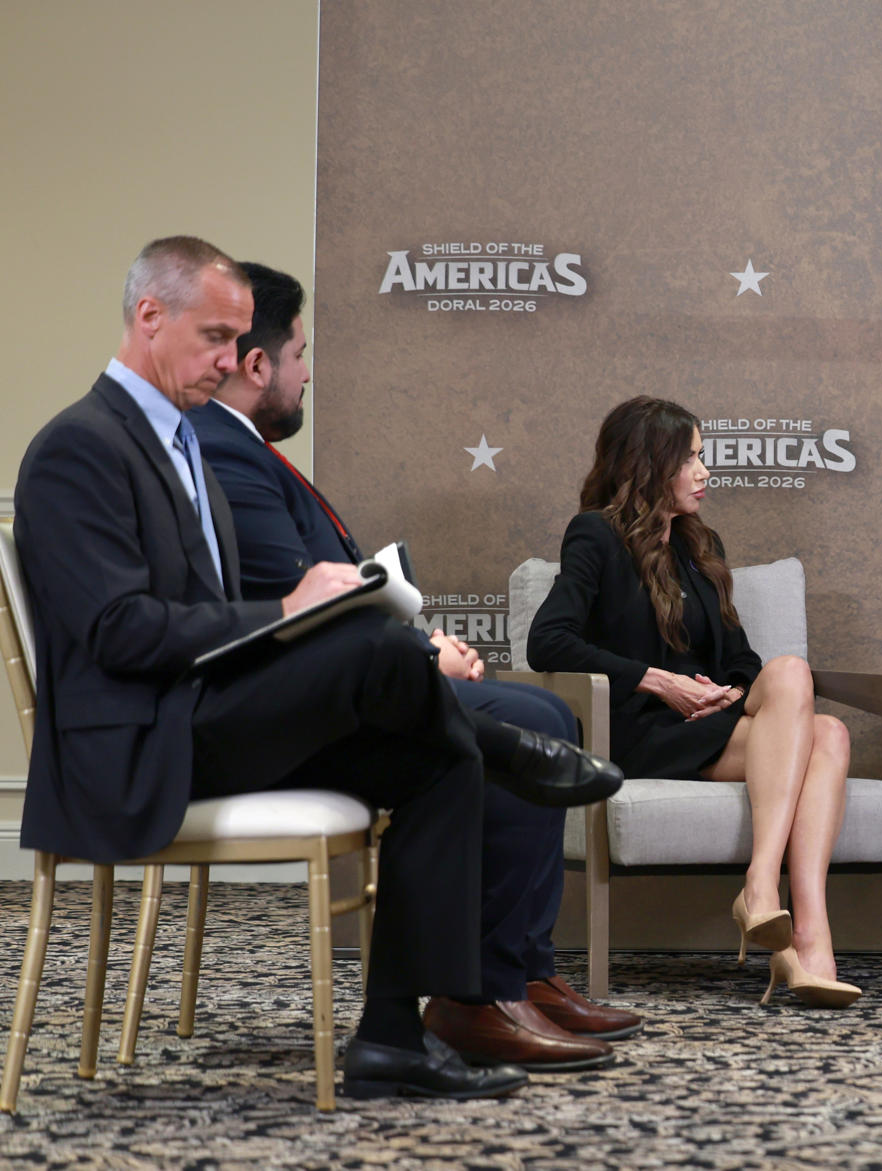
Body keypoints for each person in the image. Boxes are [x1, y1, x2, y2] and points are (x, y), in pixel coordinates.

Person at [11, 237, 621, 1101]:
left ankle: (391, 1038)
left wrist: (306, 614)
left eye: (239, 341)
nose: (230, 361)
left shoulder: (182, 441)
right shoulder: (78, 446)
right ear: (150, 315)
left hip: (201, 717)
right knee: (376, 643)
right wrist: (293, 611)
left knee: (446, 760)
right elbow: (117, 632)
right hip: (138, 747)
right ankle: (506, 740)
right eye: (216, 337)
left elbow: (206, 623)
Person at [189, 262, 641, 1071]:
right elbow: (290, 596)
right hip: (290, 709)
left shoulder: (243, 450)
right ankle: (481, 994)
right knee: (530, 720)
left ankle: (519, 976)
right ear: (259, 366)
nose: (308, 372)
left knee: (540, 719)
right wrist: (423, 647)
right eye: (301, 353)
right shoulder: (226, 453)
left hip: (339, 679)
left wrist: (417, 640)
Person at [528, 397, 861, 1008]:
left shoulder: (699, 543)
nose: (706, 473)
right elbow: (547, 640)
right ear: (648, 465)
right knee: (826, 735)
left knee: (807, 699)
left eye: (703, 458)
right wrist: (658, 680)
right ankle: (786, 921)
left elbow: (740, 656)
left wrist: (726, 693)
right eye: (691, 459)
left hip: (708, 723)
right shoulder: (596, 535)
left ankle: (796, 925)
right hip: (640, 728)